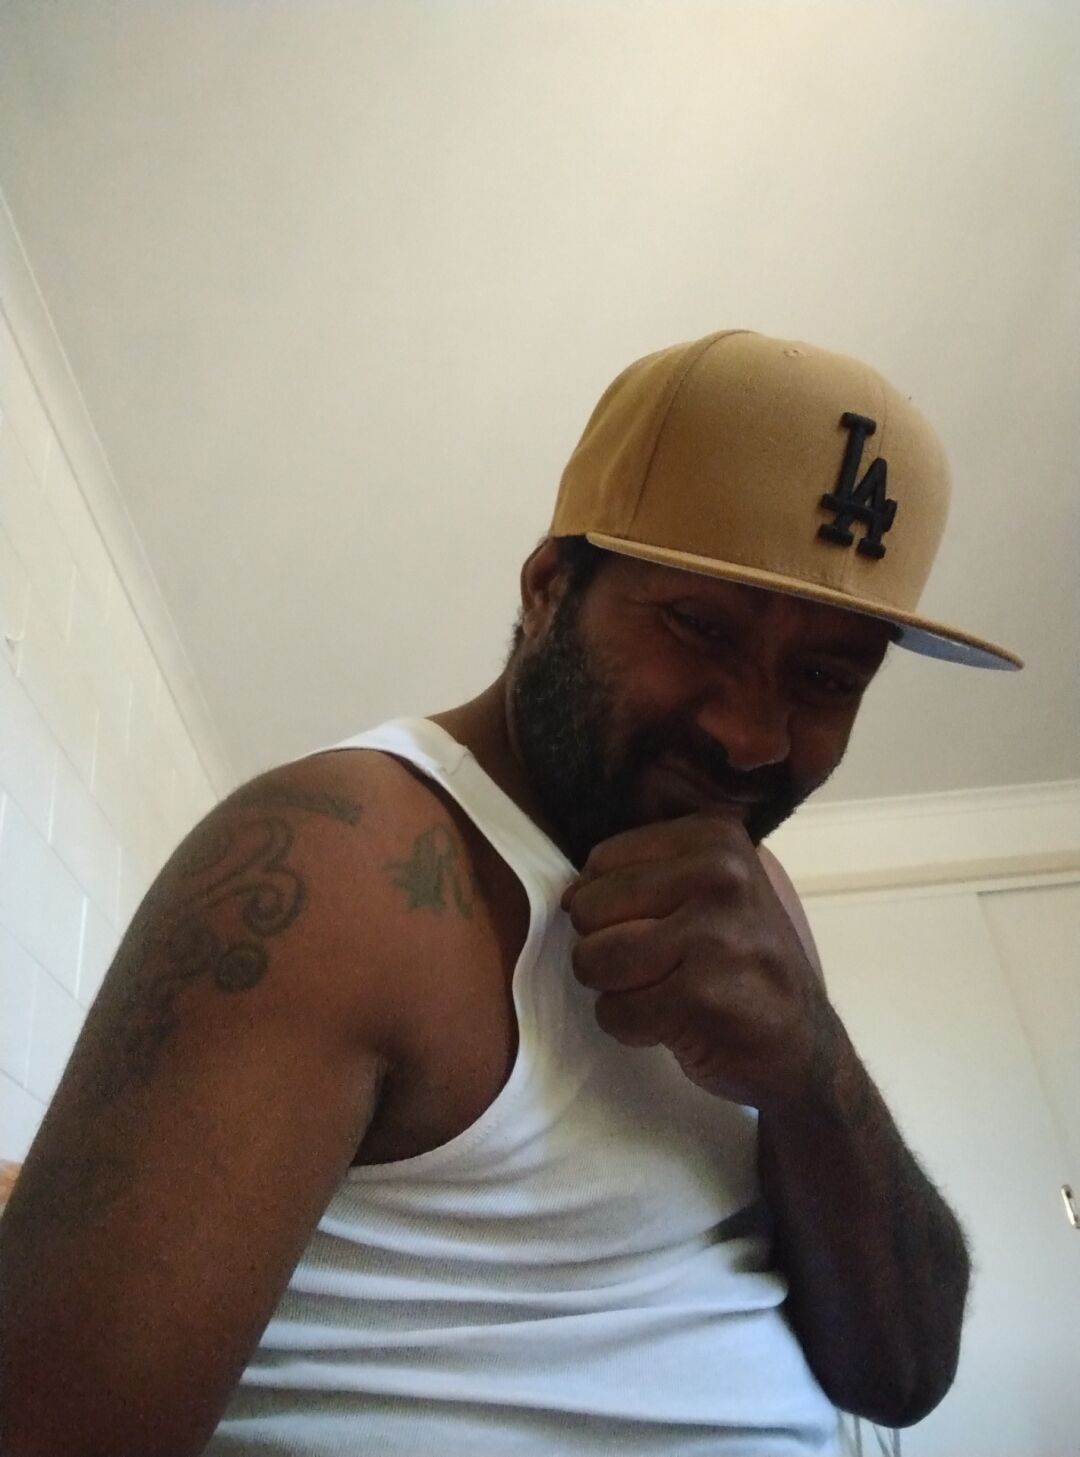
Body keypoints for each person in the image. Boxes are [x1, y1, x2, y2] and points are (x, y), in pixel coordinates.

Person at [0, 330, 1022, 1457]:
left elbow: (902, 1375)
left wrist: (811, 1066)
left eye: (826, 677)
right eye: (700, 628)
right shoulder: (342, 860)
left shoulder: (760, 902)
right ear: (548, 588)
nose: (750, 733)